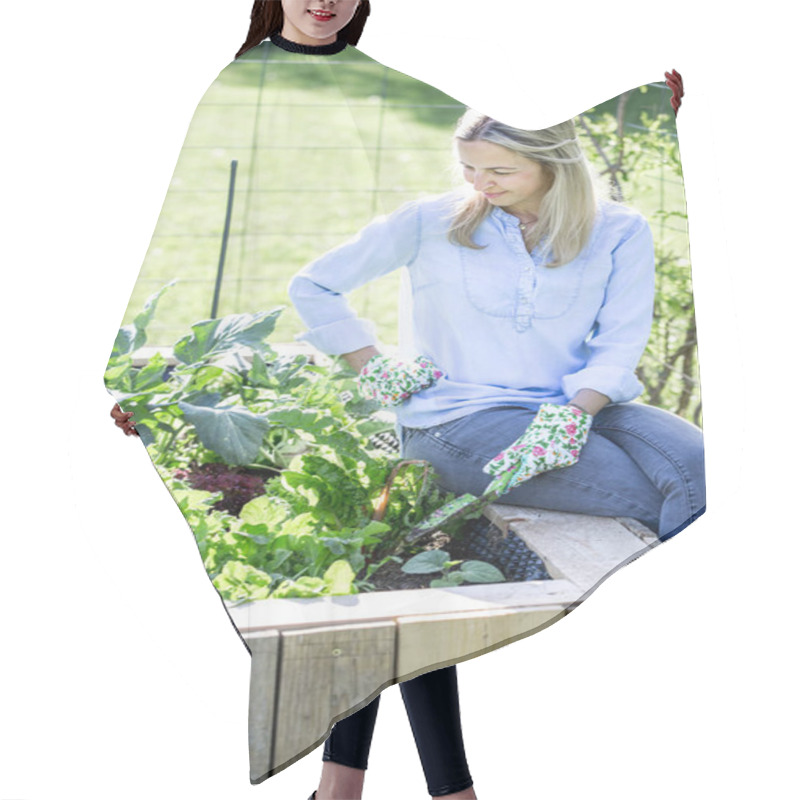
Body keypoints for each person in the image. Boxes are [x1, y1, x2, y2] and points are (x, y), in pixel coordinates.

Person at [287, 84, 705, 800]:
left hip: (583, 403)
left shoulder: (619, 230)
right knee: (641, 497)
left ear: (553, 166)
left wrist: (576, 412)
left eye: (498, 173)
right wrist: (376, 365)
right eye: (469, 169)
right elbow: (315, 286)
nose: (478, 186)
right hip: (454, 419)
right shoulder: (431, 222)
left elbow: (622, 336)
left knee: (707, 474)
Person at [110, 2, 479, 799]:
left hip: (386, 375)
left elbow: (510, 160)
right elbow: (189, 230)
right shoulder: (237, 87)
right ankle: (420, 790)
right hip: (274, 386)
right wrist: (151, 379)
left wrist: (634, 116)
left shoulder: (399, 96)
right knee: (359, 575)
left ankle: (348, 788)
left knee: (401, 573)